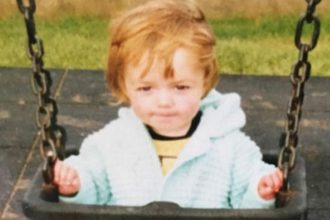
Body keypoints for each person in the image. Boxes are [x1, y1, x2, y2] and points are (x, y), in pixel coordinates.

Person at [53, 0, 283, 208]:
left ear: (204, 81)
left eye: (181, 87)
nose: (164, 102)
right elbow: (92, 187)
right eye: (146, 89)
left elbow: (249, 193)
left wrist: (261, 190)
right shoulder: (111, 142)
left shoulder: (229, 145)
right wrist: (74, 185)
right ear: (124, 86)